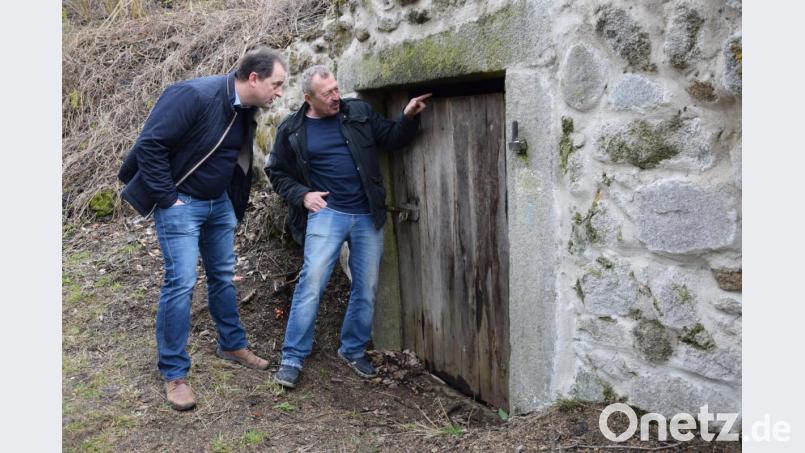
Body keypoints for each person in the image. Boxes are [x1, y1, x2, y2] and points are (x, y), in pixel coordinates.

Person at [118, 47, 287, 410]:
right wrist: (168, 198)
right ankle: (174, 373)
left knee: (223, 276)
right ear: (253, 78)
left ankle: (231, 344)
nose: (279, 92)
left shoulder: (247, 110)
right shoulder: (194, 95)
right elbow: (150, 146)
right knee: (181, 282)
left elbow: (234, 158)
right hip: (182, 205)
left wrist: (229, 201)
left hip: (218, 205)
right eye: (277, 84)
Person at [265, 65, 430, 388]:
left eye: (337, 89)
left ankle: (352, 349)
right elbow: (277, 172)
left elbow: (392, 138)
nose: (337, 97)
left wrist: (408, 116)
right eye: (328, 94)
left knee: (366, 287)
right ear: (309, 98)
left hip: (368, 214)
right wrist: (303, 195)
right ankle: (292, 358)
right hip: (327, 213)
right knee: (312, 283)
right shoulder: (292, 130)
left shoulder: (359, 112)